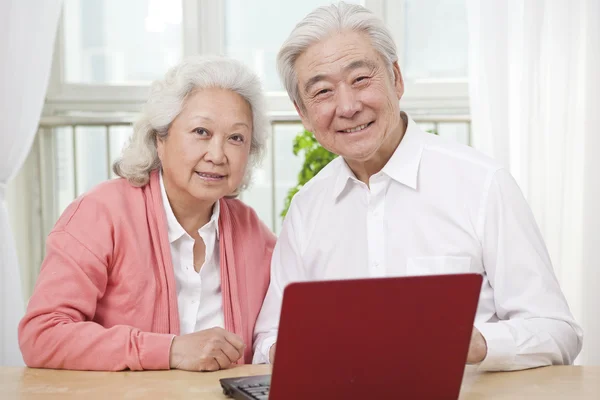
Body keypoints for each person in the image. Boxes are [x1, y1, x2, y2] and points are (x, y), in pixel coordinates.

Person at [253, 2, 582, 371]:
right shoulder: (307, 207)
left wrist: (476, 343)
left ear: (396, 79)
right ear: (303, 114)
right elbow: (268, 338)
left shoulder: (482, 183)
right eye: (323, 92)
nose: (347, 106)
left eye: (361, 79)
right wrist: (286, 350)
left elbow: (558, 331)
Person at [19, 56, 276, 372]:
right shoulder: (101, 214)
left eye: (236, 138)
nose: (217, 154)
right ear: (160, 139)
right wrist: (169, 350)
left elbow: (279, 329)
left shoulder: (254, 233)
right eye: (201, 131)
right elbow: (42, 335)